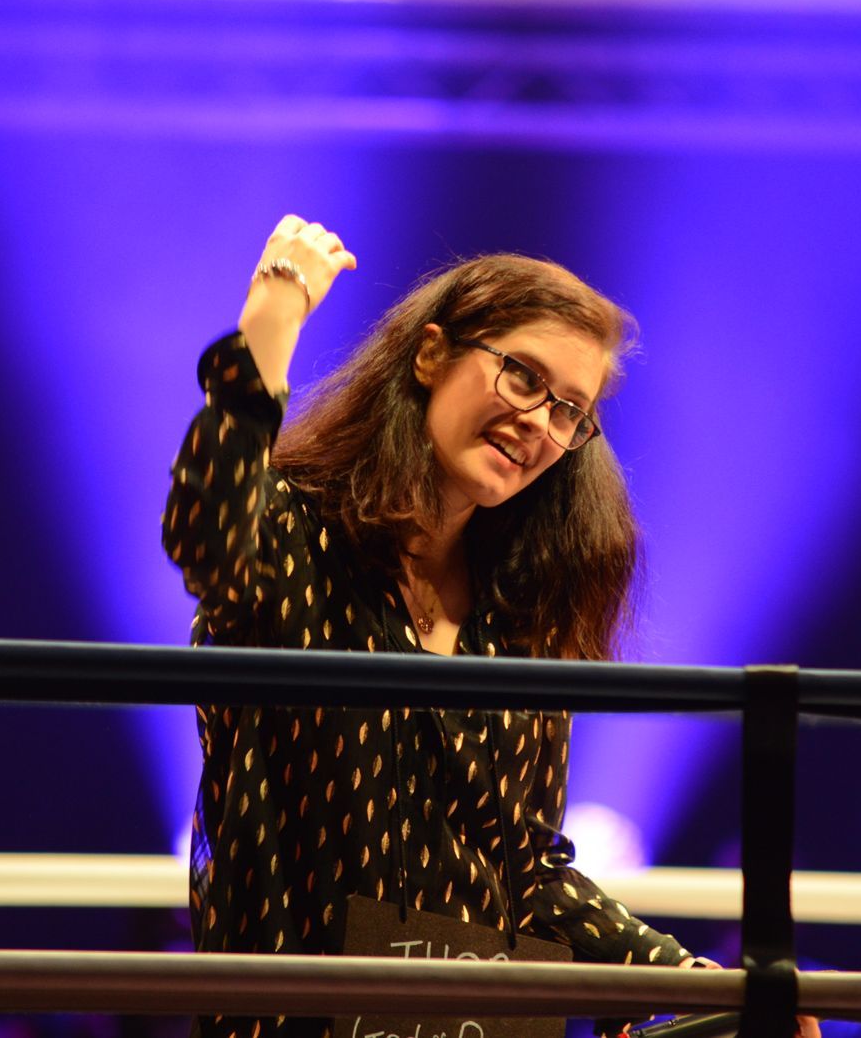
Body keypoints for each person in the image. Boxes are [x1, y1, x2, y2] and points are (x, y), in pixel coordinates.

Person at [164, 217, 818, 1038]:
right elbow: (206, 536)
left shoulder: (525, 613)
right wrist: (272, 315)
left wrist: (687, 979)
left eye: (570, 410)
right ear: (431, 354)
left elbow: (524, 865)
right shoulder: (298, 536)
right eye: (522, 377)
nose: (540, 424)